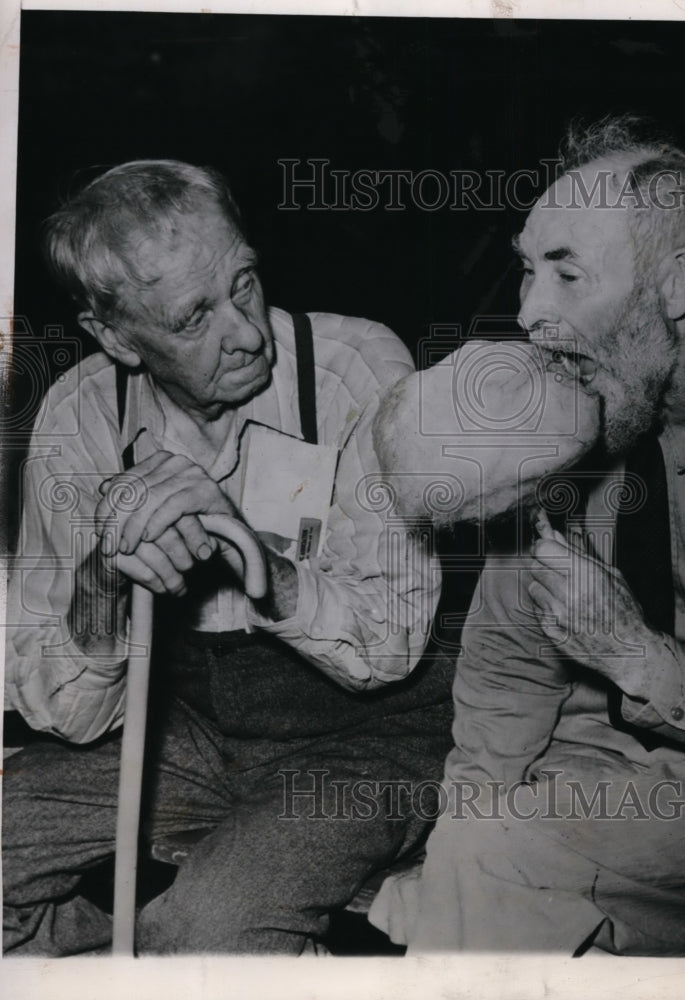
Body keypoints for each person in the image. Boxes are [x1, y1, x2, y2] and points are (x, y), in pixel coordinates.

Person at [3, 160, 457, 955]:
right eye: (193, 318)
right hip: (190, 730)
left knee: (209, 926)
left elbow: (386, 650)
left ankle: (147, 937)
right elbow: (65, 714)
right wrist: (102, 584)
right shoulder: (79, 418)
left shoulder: (354, 370)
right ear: (114, 336)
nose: (246, 331)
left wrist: (257, 561)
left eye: (244, 282)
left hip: (372, 738)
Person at [368, 115, 685, 955]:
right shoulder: (585, 416)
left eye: (567, 275)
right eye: (526, 269)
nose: (528, 315)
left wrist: (637, 657)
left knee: (492, 867)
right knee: (463, 852)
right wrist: (466, 824)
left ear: (674, 285)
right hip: (634, 769)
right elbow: (506, 665)